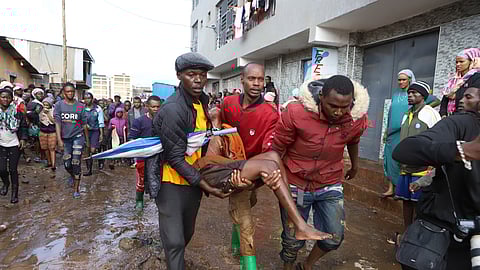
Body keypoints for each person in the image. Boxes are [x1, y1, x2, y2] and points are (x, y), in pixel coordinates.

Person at [272, 76, 369, 270]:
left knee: (334, 237)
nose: (339, 112)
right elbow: (277, 148)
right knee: (292, 238)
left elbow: (353, 140)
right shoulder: (296, 113)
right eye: (333, 105)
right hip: (295, 183)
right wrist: (279, 180)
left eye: (345, 107)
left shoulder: (357, 118)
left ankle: (307, 265)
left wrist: (355, 165)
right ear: (321, 96)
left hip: (330, 182)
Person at [148, 52, 231, 270]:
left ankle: (173, 260)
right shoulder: (174, 109)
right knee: (175, 242)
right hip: (170, 182)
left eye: (202, 75)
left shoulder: (201, 103)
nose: (197, 80)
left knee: (186, 234)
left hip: (192, 180)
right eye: (191, 74)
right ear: (179, 76)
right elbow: (175, 158)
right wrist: (207, 186)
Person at [392, 77, 480, 269]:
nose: (461, 101)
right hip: (444, 235)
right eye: (462, 96)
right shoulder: (461, 124)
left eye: (467, 96)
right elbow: (405, 149)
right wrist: (460, 151)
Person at [220, 62, 280, 269]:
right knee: (245, 216)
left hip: (254, 173)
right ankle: (250, 265)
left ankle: (235, 245)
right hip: (232, 171)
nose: (256, 83)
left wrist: (260, 176)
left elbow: (269, 150)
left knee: (247, 202)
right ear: (242, 80)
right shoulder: (228, 103)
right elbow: (219, 135)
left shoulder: (270, 113)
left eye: (260, 79)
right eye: (252, 79)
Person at [382, 69, 439, 197]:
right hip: (395, 132)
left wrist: (427, 108)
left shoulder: (425, 108)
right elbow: (391, 113)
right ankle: (392, 187)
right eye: (399, 79)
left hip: (408, 136)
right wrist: (386, 130)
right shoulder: (397, 95)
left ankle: (398, 188)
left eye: (404, 79)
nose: (401, 82)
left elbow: (436, 101)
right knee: (391, 158)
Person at [394, 81, 441, 232]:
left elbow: (438, 139)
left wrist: (434, 163)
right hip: (405, 166)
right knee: (406, 200)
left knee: (419, 202)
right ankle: (407, 230)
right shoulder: (407, 114)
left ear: (424, 96)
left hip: (422, 167)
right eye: (409, 93)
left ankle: (418, 233)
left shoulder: (430, 113)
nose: (410, 95)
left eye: (415, 93)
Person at [54, 83, 89, 198]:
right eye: (68, 91)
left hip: (78, 137)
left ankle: (76, 189)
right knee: (67, 164)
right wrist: (59, 140)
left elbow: (84, 125)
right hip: (65, 139)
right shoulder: (59, 105)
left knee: (76, 162)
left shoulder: (80, 106)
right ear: (64, 93)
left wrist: (87, 141)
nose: (70, 93)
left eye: (72, 91)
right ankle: (72, 175)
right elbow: (58, 123)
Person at [128, 95, 162, 210]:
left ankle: (160, 202)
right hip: (143, 157)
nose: (156, 109)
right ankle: (139, 201)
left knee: (160, 179)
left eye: (158, 107)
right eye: (153, 107)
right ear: (147, 107)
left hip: (160, 156)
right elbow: (132, 139)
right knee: (141, 180)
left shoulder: (164, 121)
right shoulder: (139, 121)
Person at [0, 87, 27, 204]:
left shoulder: (17, 113)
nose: (5, 99)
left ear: (12, 99)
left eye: (8, 97)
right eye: (3, 97)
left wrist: (23, 139)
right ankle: (6, 183)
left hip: (14, 144)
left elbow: (23, 126)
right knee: (1, 169)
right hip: (1, 144)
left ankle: (14, 194)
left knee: (13, 169)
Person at [440, 48, 480, 117]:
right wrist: (443, 114)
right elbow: (445, 99)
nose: (458, 64)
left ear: (472, 61)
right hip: (450, 117)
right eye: (456, 62)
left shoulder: (476, 78)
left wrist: (455, 95)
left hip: (465, 117)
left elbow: (470, 98)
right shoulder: (453, 80)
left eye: (461, 62)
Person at [83, 92, 104, 176]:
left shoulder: (98, 108)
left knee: (93, 150)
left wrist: (101, 134)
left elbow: (101, 122)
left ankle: (100, 161)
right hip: (84, 131)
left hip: (95, 131)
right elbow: (78, 120)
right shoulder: (81, 108)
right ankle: (89, 169)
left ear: (92, 99)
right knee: (87, 150)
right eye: (85, 98)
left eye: (89, 98)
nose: (87, 100)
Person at [38, 97, 57, 171]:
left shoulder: (54, 111)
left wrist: (48, 114)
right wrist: (42, 115)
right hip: (43, 131)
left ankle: (53, 164)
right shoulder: (41, 111)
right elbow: (40, 120)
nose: (45, 107)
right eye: (44, 105)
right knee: (45, 148)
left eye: (47, 105)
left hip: (52, 131)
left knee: (52, 148)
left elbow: (54, 122)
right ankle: (49, 162)